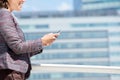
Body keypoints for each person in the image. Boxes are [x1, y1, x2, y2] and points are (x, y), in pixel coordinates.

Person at [0, 0, 59, 80]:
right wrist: (42, 41)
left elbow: (15, 52)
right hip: (10, 74)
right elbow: (17, 47)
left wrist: (43, 43)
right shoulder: (4, 14)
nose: (24, 0)